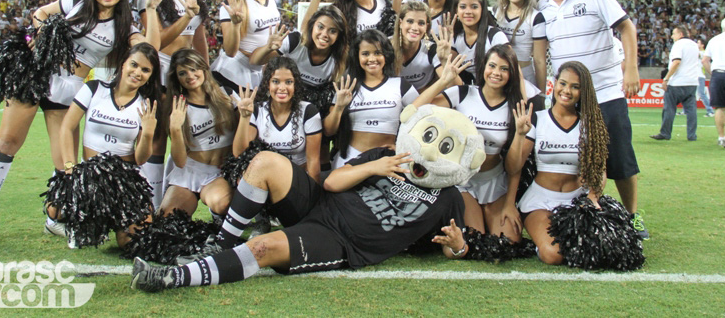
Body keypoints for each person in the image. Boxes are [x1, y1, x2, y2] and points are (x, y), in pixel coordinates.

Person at [130, 123, 473, 292]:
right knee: (265, 161)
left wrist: (457, 248)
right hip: (322, 201)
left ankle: (171, 278)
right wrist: (373, 167)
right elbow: (331, 183)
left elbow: (454, 247)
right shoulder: (388, 156)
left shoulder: (449, 197)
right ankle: (221, 241)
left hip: (341, 240)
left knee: (262, 247)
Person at [0, 0, 165, 244]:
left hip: (68, 89)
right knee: (8, 141)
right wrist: (40, 35)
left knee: (65, 165)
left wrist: (152, 10)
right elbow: (40, 14)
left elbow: (150, 50)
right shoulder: (75, 3)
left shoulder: (124, 27)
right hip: (36, 74)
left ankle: (53, 220)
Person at [536, 0, 647, 239]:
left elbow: (626, 27)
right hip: (567, 98)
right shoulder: (542, 7)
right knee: (573, 160)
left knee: (620, 159)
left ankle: (634, 217)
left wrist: (632, 68)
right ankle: (582, 213)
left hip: (606, 92)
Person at [412, 44, 524, 243]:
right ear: (483, 68)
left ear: (512, 73)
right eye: (492, 66)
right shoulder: (463, 93)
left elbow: (515, 166)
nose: (496, 73)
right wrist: (443, 82)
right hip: (464, 180)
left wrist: (510, 203)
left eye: (504, 69)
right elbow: (416, 108)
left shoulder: (515, 105)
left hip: (494, 180)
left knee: (509, 241)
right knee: (474, 238)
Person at [55, 42, 162, 247]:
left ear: (150, 75)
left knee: (132, 240)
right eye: (134, 65)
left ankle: (116, 221)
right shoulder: (94, 88)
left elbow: (140, 159)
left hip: (126, 181)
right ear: (123, 64)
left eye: (145, 70)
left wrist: (147, 134)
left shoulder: (145, 104)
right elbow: (67, 128)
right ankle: (85, 219)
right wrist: (70, 167)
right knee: (59, 211)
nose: (138, 72)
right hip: (91, 177)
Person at [507, 61, 609, 265]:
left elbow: (600, 169)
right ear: (554, 83)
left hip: (577, 201)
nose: (567, 91)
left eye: (575, 86)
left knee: (598, 250)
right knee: (554, 255)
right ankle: (541, 241)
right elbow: (513, 167)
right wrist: (519, 136)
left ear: (583, 91)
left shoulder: (590, 123)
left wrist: (593, 197)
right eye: (563, 83)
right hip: (540, 201)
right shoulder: (537, 119)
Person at [139, 0, 210, 210]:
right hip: (160, 73)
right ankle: (151, 208)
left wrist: (207, 72)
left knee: (183, 136)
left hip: (187, 73)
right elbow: (154, 43)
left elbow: (199, 35)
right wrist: (187, 16)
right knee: (157, 140)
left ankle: (169, 201)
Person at [158, 49, 237, 219]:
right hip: (191, 170)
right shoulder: (177, 106)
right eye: (182, 73)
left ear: (203, 69)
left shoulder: (226, 94)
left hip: (219, 172)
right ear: (176, 78)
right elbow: (179, 161)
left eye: (194, 69)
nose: (190, 76)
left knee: (223, 204)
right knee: (166, 219)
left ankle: (216, 213)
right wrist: (175, 129)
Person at [324, 29, 419, 168]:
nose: (372, 59)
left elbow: (422, 119)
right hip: (350, 160)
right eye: (365, 54)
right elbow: (328, 131)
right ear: (357, 57)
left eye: (377, 53)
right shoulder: (347, 87)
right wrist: (339, 107)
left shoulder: (401, 85)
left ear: (386, 55)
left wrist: (401, 144)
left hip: (387, 161)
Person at [234, 57, 322, 182]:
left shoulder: (308, 111)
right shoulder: (257, 110)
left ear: (295, 85)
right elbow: (239, 153)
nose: (282, 88)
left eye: (288, 82)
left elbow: (313, 161)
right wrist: (244, 118)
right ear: (267, 84)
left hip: (296, 179)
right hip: (266, 179)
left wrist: (314, 195)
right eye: (275, 81)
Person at [210, 0, 280, 94]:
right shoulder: (231, 3)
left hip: (259, 70)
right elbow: (230, 51)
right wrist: (235, 24)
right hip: (232, 74)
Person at [494, 0, 547, 87]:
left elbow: (539, 61)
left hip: (524, 78)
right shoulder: (496, 12)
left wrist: (541, 94)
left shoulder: (536, 17)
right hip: (497, 77)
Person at [650, 26, 700, 142]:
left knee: (669, 108)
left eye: (674, 33)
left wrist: (666, 78)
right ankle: (692, 135)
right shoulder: (694, 45)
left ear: (680, 34)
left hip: (677, 81)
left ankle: (665, 133)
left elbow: (677, 62)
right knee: (691, 110)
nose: (672, 36)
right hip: (692, 81)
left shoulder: (678, 45)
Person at [451, 0, 509, 84]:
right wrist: (443, 57)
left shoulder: (495, 36)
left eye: (474, 7)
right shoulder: (455, 40)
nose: (468, 11)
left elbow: (514, 72)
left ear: (482, 10)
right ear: (456, 10)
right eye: (463, 7)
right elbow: (451, 77)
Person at [391, 0, 450, 92]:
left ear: (427, 26)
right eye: (410, 21)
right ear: (400, 23)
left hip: (425, 98)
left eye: (421, 23)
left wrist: (445, 61)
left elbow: (455, 86)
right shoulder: (386, 46)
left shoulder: (431, 49)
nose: (415, 28)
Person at [702, 16, 725, 148]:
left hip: (718, 74)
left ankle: (721, 137)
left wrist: (713, 73)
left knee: (719, 107)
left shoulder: (714, 40)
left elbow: (705, 60)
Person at [697, 37, 715, 117]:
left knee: (701, 93)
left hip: (700, 75)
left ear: (702, 45)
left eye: (698, 43)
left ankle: (710, 110)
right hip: (694, 76)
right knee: (689, 94)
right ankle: (685, 110)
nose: (697, 44)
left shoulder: (703, 53)